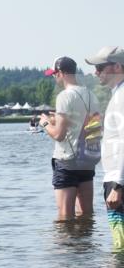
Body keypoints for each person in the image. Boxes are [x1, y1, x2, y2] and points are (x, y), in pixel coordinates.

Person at [38, 56, 100, 221]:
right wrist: (57, 120)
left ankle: (67, 247)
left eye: (54, 74)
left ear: (60, 73)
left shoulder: (64, 96)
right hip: (86, 160)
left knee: (65, 219)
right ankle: (86, 246)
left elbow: (59, 135)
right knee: (86, 215)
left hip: (67, 161)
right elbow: (88, 126)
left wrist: (44, 123)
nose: (53, 77)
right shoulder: (91, 95)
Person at [87, 45, 124, 252]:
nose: (96, 72)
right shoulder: (118, 94)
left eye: (100, 67)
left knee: (120, 247)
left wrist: (118, 185)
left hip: (118, 181)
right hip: (117, 177)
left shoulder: (122, 96)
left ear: (117, 66)